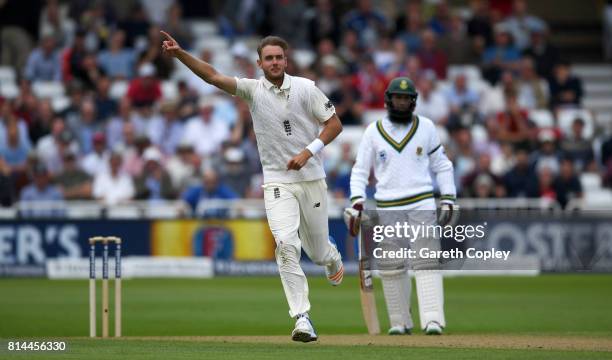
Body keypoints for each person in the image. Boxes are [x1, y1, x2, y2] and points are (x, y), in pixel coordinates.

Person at [161, 31, 344, 342]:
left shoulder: (305, 88)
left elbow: (334, 124)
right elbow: (213, 77)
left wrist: (307, 151)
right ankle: (302, 318)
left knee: (317, 252)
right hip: (276, 180)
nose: (274, 62)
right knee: (286, 245)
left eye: (278, 57)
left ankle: (331, 257)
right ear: (259, 63)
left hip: (311, 177)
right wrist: (180, 55)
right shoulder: (252, 90)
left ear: (286, 60)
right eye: (268, 58)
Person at [345, 77, 457, 335]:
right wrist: (357, 201)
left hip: (421, 201)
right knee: (391, 264)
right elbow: (360, 170)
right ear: (388, 100)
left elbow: (442, 165)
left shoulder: (426, 127)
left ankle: (433, 320)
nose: (402, 102)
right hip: (387, 205)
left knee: (425, 260)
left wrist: (449, 197)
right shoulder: (373, 131)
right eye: (398, 98)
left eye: (407, 99)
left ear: (413, 101)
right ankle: (400, 321)